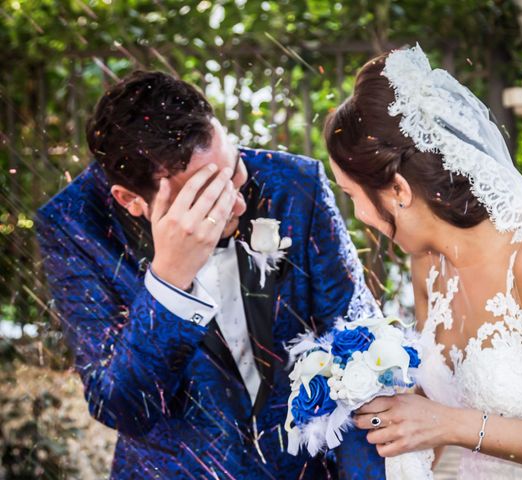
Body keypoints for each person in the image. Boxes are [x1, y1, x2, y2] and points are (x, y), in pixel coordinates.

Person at [36, 70, 384, 479]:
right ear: (131, 200)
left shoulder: (295, 185)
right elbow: (123, 406)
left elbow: (360, 354)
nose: (237, 205)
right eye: (208, 198)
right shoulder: (76, 225)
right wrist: (169, 282)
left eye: (234, 174)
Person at [324, 44, 522, 478]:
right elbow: (431, 422)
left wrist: (448, 424)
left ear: (398, 189)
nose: (357, 215)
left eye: (353, 195)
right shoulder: (428, 269)